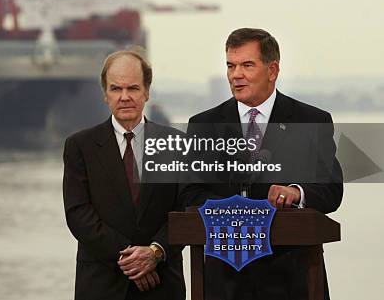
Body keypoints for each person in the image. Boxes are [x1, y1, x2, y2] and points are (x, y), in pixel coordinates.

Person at [183, 28, 343, 300]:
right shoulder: (204, 125)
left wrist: (296, 192)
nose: (236, 75)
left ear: (272, 70)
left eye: (247, 65)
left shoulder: (309, 121)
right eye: (230, 66)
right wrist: (238, 211)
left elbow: (330, 189)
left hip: (293, 279)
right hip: (226, 281)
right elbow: (189, 193)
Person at [63, 49, 186, 300]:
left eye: (133, 88)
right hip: (101, 285)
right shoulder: (80, 146)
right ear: (105, 94)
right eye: (116, 89)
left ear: (147, 92)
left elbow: (187, 208)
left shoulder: (177, 144)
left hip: (162, 285)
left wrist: (155, 252)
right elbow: (78, 214)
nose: (125, 97)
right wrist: (133, 260)